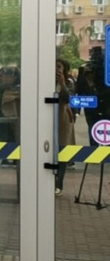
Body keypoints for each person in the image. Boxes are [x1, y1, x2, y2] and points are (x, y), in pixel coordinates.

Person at [55, 58, 76, 196]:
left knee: (62, 149)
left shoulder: (69, 82)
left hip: (62, 118)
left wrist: (62, 83)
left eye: (59, 67)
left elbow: (68, 99)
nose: (56, 69)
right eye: (54, 66)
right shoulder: (45, 80)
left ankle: (59, 183)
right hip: (48, 118)